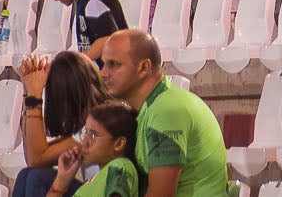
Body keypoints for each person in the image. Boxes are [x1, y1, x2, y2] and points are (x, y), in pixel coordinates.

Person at [96, 30, 228, 197]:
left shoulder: (166, 111)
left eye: (114, 64)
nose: (103, 73)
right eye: (104, 64)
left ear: (144, 67)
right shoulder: (154, 107)